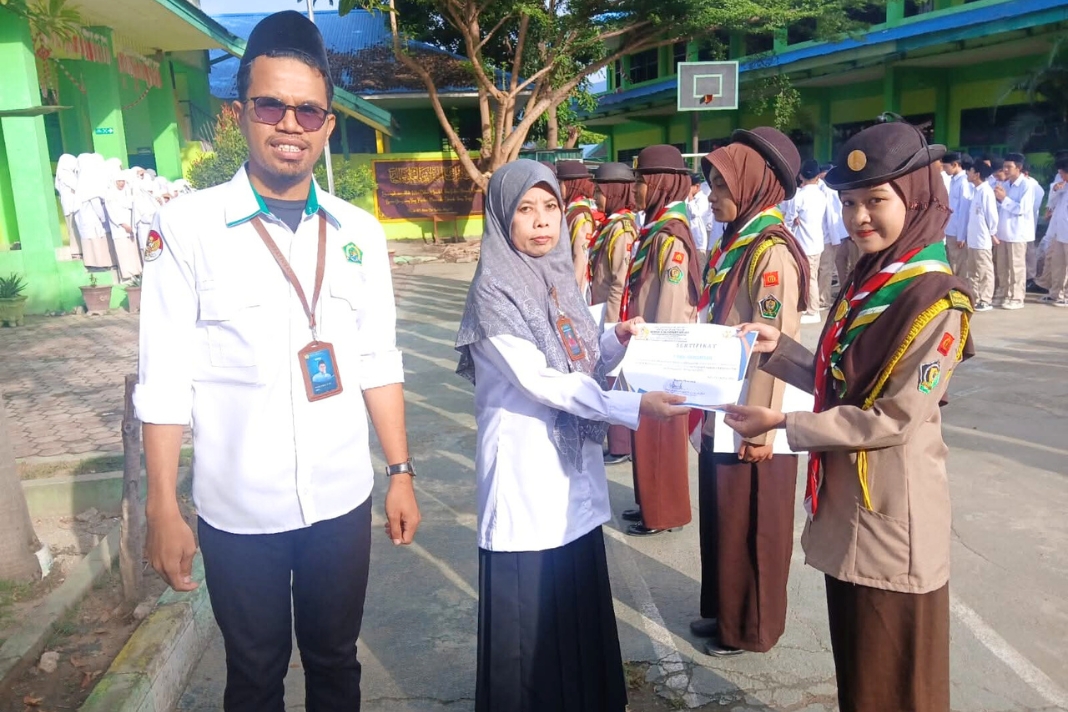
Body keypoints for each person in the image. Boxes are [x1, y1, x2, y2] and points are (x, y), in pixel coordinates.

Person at [134, 12, 421, 712]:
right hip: (239, 511)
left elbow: (378, 359)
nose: (290, 124)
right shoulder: (187, 228)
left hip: (340, 502)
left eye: (308, 110)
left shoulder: (359, 234)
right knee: (255, 674)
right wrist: (163, 505)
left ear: (327, 124)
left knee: (336, 663)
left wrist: (401, 473)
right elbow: (164, 377)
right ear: (239, 113)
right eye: (271, 106)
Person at [718, 120, 974, 712]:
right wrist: (778, 349)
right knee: (860, 672)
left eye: (876, 200)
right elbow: (844, 381)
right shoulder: (873, 279)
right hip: (851, 505)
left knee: (895, 681)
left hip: (891, 515)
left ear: (915, 199)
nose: (860, 217)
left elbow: (892, 418)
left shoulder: (936, 297)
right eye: (850, 203)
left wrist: (783, 425)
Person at [455, 159, 687, 712]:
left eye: (550, 207)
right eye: (525, 209)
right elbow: (541, 380)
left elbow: (575, 354)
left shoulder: (557, 276)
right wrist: (632, 405)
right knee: (528, 617)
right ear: (502, 218)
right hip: (527, 471)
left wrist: (616, 339)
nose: (542, 221)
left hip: (570, 471)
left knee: (573, 598)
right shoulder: (493, 291)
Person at [693, 127, 809, 656]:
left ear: (753, 186)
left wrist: (762, 426)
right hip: (727, 400)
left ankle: (750, 627)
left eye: (722, 185)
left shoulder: (771, 252)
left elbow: (774, 343)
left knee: (752, 521)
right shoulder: (736, 242)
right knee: (726, 514)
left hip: (753, 412)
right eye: (711, 184)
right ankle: (725, 612)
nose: (711, 195)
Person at [622, 145, 698, 537]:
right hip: (646, 346)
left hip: (661, 352)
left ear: (661, 184)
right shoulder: (656, 230)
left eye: (641, 181)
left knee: (662, 437)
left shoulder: (672, 238)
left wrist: (661, 359)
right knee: (646, 433)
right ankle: (650, 505)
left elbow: (670, 306)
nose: (635, 189)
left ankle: (664, 513)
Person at [589, 162, 640, 466]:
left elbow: (619, 282)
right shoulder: (610, 225)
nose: (595, 197)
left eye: (600, 191)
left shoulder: (622, 230)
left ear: (616, 191)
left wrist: (611, 323)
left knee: (614, 377)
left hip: (612, 314)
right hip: (602, 310)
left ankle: (621, 446)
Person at [783, 159, 826, 323]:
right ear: (817, 176)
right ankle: (809, 307)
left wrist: (792, 223)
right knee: (811, 276)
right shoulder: (821, 195)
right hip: (816, 242)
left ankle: (813, 311)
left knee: (808, 278)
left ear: (801, 176)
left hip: (803, 244)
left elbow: (789, 218)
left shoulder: (800, 196)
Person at [993, 152, 1035, 309]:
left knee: (1016, 267)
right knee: (1002, 267)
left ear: (1018, 168)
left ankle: (1017, 298)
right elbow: (1000, 207)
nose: (1005, 169)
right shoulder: (1005, 184)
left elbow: (1022, 209)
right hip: (1003, 232)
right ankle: (1004, 294)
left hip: (1018, 233)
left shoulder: (1026, 185)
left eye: (1009, 167)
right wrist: (998, 199)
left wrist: (1004, 199)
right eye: (1004, 166)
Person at [558, 160, 600, 297]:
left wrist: (573, 295)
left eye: (560, 183)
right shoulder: (571, 211)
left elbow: (580, 258)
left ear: (571, 184)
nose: (558, 187)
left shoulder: (581, 215)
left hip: (576, 287)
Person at [965, 161, 999, 312]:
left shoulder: (986, 192)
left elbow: (992, 216)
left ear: (977, 175)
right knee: (972, 271)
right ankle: (975, 297)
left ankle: (986, 300)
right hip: (973, 239)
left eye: (971, 171)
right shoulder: (976, 191)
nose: (968, 173)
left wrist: (992, 233)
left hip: (982, 239)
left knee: (985, 271)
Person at [74, 153, 114, 270]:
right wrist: (103, 218)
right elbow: (96, 204)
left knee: (89, 243)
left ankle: (93, 264)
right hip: (93, 219)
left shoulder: (81, 183)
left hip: (85, 220)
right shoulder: (91, 184)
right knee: (95, 242)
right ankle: (98, 265)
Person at [104, 167, 143, 282]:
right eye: (119, 181)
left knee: (133, 251)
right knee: (123, 252)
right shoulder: (110, 194)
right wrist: (123, 224)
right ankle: (126, 276)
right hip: (120, 229)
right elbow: (112, 212)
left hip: (130, 227)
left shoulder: (127, 193)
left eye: (123, 181)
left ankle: (136, 274)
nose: (122, 183)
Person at [1042, 159, 1068, 307]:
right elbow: (1052, 202)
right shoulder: (1063, 187)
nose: (1061, 177)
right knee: (1058, 264)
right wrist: (1056, 190)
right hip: (1059, 233)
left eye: (1063, 174)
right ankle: (1056, 293)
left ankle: (1066, 295)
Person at [942, 151, 973, 275]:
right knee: (951, 263)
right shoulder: (953, 181)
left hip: (958, 233)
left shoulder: (964, 182)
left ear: (955, 165)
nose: (944, 170)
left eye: (946, 167)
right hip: (950, 230)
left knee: (959, 266)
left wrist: (961, 236)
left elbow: (964, 211)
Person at [54, 154, 81, 259]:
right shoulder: (65, 174)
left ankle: (77, 250)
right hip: (71, 205)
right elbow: (77, 187)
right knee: (73, 227)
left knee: (73, 228)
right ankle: (76, 251)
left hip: (69, 204)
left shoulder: (64, 174)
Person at [686, 172, 712, 269]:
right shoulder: (688, 200)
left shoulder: (703, 199)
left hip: (699, 241)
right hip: (689, 239)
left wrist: (690, 197)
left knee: (699, 268)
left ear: (697, 186)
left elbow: (695, 213)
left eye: (689, 187)